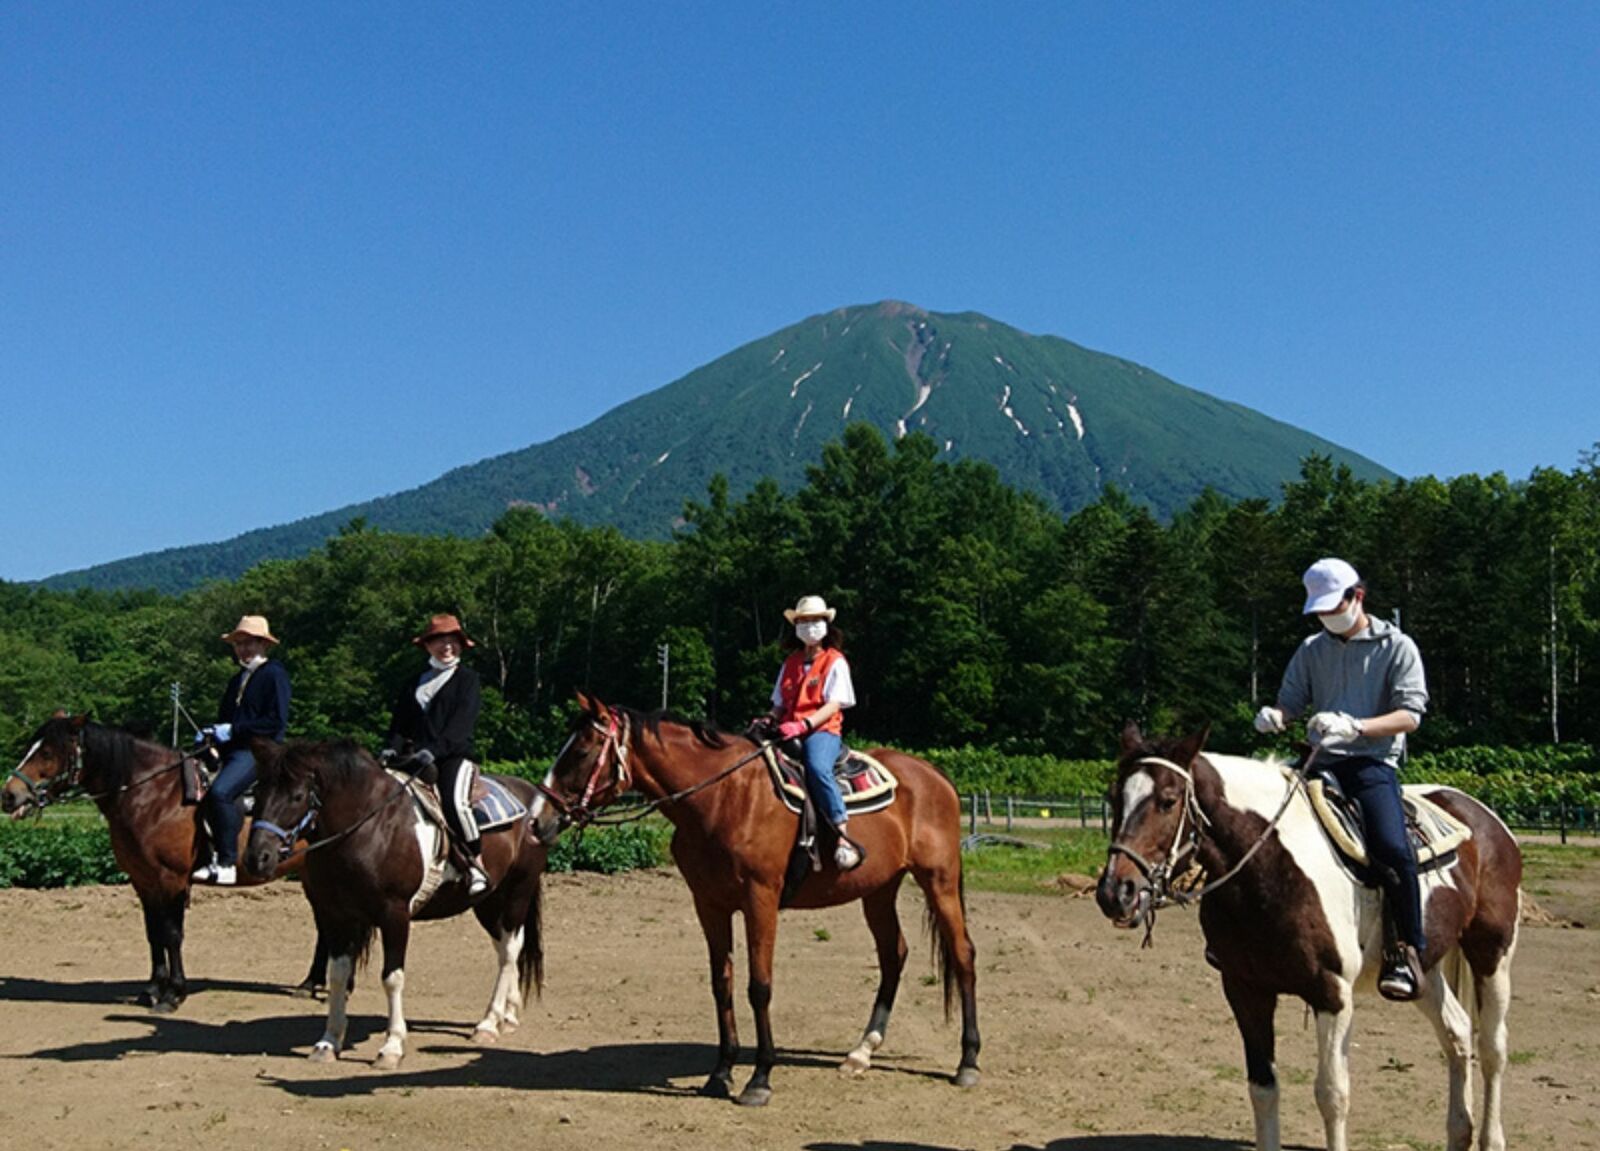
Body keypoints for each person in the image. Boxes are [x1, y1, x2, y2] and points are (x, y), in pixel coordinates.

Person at [1254, 558, 1430, 1001]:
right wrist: (1277, 715)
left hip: (1371, 764)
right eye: (1321, 612)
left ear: (1358, 596)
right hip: (1317, 761)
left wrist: (1357, 726)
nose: (1328, 618)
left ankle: (1408, 949)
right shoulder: (1312, 649)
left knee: (1392, 848)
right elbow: (1291, 699)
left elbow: (1410, 715)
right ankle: (1248, 936)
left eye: (1335, 607)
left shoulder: (1397, 646)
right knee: (1256, 826)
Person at [385, 613, 489, 896]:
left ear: (460, 645)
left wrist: (433, 751)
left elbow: (460, 727)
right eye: (439, 641)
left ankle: (474, 863)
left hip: (454, 756)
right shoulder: (413, 682)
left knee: (455, 803)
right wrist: (390, 749)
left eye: (452, 642)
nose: (446, 647)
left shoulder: (468, 680)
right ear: (428, 646)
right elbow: (399, 725)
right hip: (414, 758)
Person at [764, 595, 862, 871]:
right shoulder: (790, 663)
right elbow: (779, 704)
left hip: (822, 731)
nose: (809, 627)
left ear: (826, 625)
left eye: (815, 621)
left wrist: (804, 725)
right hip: (788, 729)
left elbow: (834, 704)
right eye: (803, 622)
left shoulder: (835, 661)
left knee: (817, 767)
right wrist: (768, 719)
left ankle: (842, 833)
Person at [193, 615, 291, 885]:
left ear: (263, 645)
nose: (243, 649)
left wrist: (232, 731)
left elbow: (275, 721)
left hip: (260, 751)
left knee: (221, 792)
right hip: (233, 750)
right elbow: (227, 720)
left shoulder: (274, 673)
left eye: (249, 643)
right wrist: (211, 735)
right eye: (239, 644)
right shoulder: (236, 680)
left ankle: (226, 862)